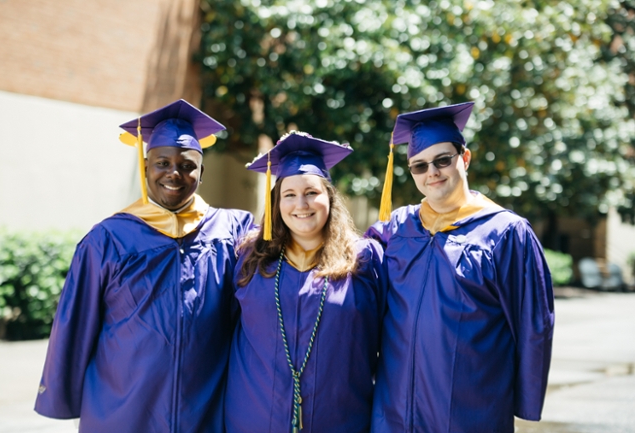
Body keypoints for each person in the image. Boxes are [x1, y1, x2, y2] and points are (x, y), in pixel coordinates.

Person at [34, 99, 254, 433]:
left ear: (201, 172)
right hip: (124, 410)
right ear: (146, 166)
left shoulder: (231, 231)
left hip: (204, 409)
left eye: (187, 164)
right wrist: (61, 395)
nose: (174, 173)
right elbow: (75, 323)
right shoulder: (109, 238)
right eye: (162, 162)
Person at [367, 101, 555, 432]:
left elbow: (533, 324)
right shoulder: (397, 228)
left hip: (468, 410)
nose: (432, 173)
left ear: (464, 158)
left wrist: (523, 402)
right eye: (419, 166)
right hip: (393, 410)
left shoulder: (505, 232)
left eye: (443, 160)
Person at [224, 131, 387, 433]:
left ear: (329, 197)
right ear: (277, 201)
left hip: (341, 422)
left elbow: (386, 340)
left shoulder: (364, 260)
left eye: (312, 192)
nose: (301, 204)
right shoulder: (249, 258)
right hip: (253, 422)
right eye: (289, 194)